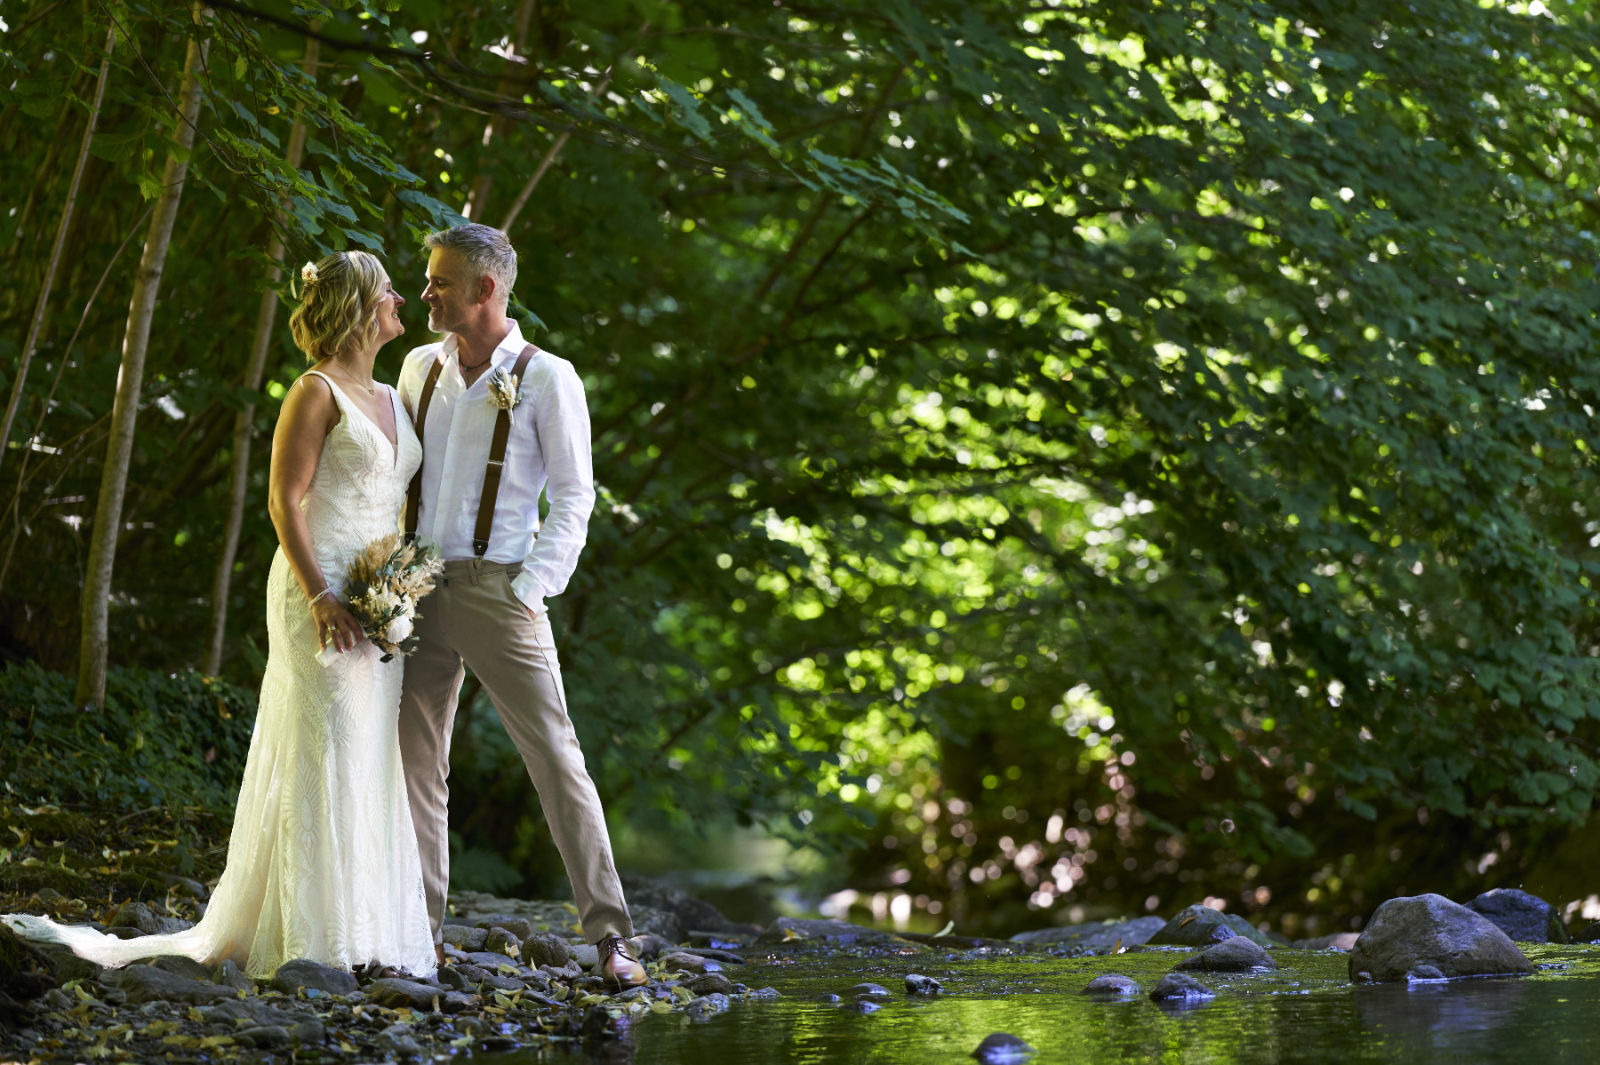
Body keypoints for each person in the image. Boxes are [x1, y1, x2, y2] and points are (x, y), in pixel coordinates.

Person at [2, 252, 436, 979]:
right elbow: (283, 500)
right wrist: (321, 594)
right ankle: (312, 942)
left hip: (378, 598)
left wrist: (396, 585)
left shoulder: (395, 395)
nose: (400, 298)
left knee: (366, 750)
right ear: (360, 308)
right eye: (388, 289)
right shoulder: (314, 391)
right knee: (324, 745)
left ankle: (368, 933)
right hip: (318, 590)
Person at [395, 223, 646, 988]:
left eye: (440, 281)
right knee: (415, 764)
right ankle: (420, 934)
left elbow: (575, 497)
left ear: (485, 289)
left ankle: (611, 937)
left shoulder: (548, 378)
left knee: (556, 758)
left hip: (500, 588)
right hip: (414, 588)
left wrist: (531, 587)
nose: (425, 292)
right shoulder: (417, 367)